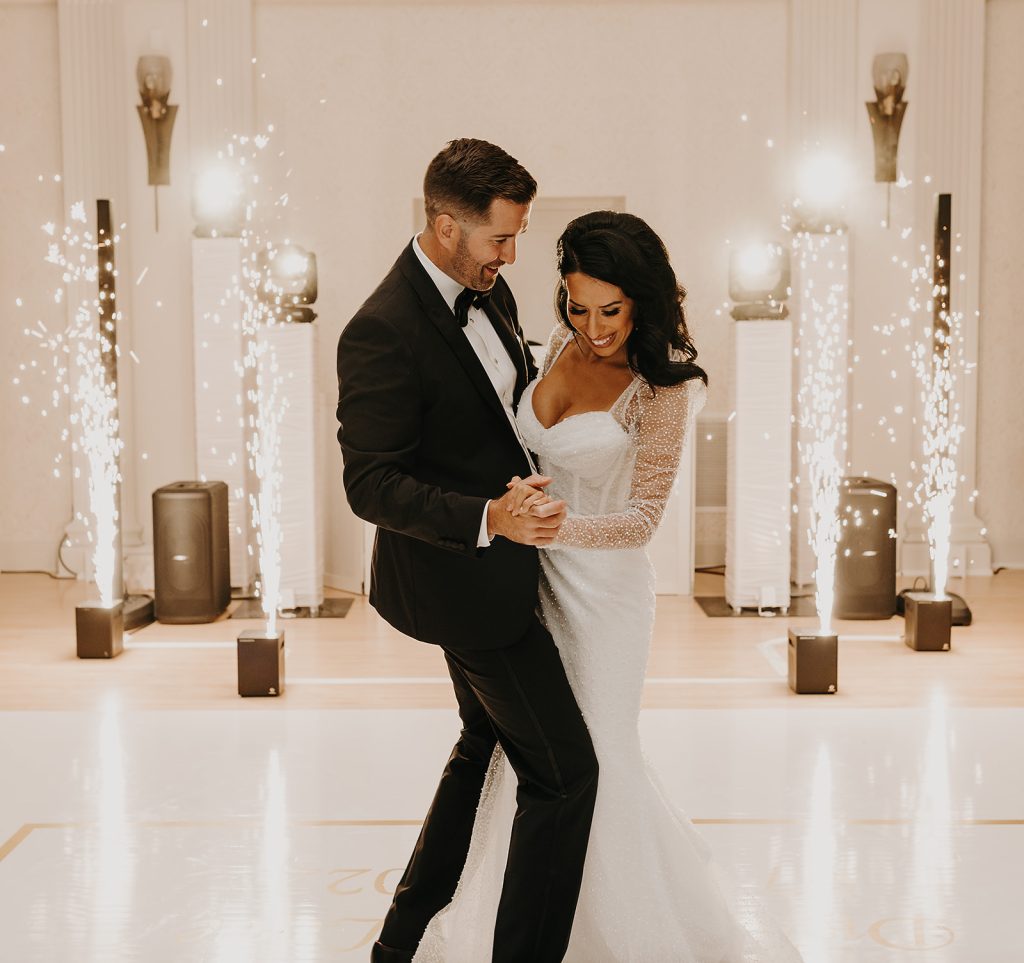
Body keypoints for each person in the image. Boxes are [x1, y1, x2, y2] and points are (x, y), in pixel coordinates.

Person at [412, 211, 804, 961]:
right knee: (535, 762)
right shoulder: (558, 342)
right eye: (577, 306)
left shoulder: (665, 385)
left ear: (643, 300)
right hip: (530, 584)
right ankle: (526, 925)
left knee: (599, 759)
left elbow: (642, 519)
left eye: (611, 310)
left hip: (606, 599)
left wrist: (553, 529)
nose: (591, 327)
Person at [336, 139, 599, 963]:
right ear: (446, 226)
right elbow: (371, 485)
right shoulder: (379, 330)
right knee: (564, 775)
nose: (512, 255)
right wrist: (491, 516)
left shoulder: (495, 291)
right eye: (499, 238)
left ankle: (400, 940)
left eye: (517, 237)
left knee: (481, 746)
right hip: (462, 585)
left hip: (509, 567)